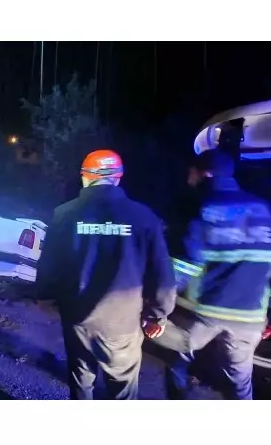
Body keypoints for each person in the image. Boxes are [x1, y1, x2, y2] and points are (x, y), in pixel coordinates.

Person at [36, 150, 178, 400]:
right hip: (122, 325)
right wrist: (157, 315)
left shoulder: (64, 215)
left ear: (85, 177)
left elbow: (48, 268)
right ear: (118, 178)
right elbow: (162, 277)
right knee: (122, 392)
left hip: (78, 319)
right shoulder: (144, 218)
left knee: (82, 383)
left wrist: (48, 296)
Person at [165, 149, 271, 400]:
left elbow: (186, 267)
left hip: (207, 315)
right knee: (240, 383)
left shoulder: (204, 210)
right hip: (249, 318)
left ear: (205, 173)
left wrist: (157, 302)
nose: (188, 178)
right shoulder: (270, 212)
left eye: (191, 172)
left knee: (178, 359)